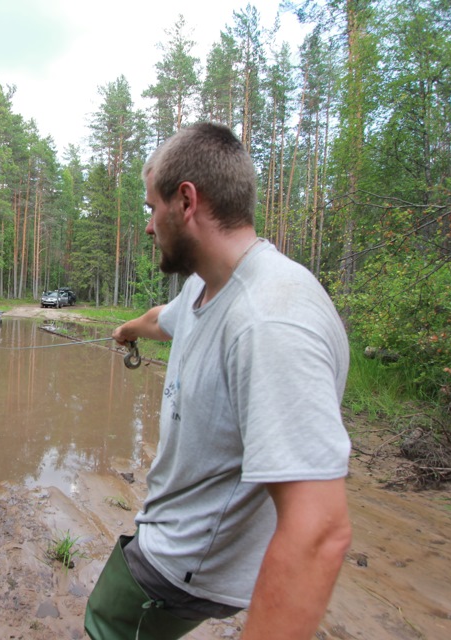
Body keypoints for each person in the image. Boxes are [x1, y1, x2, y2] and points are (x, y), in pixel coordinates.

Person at [85, 122, 352, 640]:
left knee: (104, 620)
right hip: (182, 544)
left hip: (182, 562)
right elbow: (167, 316)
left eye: (150, 209)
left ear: (185, 201)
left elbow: (319, 532)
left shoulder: (271, 319)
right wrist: (127, 330)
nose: (148, 226)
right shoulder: (212, 288)